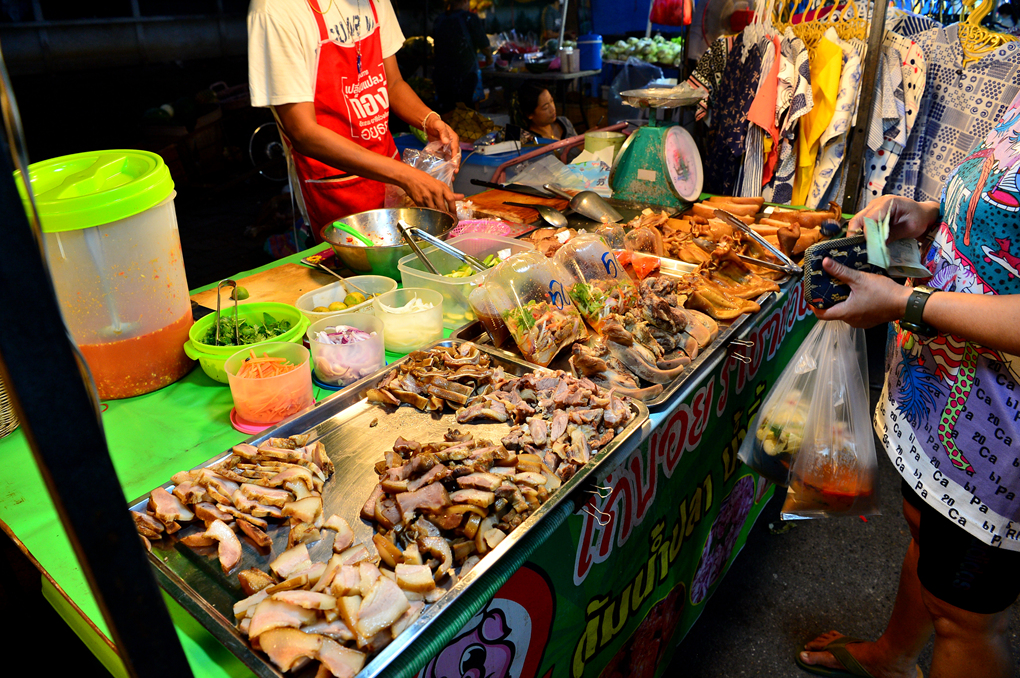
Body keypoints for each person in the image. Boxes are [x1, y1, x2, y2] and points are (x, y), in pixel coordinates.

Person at [797, 92, 1020, 678]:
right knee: (925, 538)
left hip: (1001, 439)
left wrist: (908, 303)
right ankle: (891, 658)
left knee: (964, 616)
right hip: (948, 405)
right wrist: (926, 213)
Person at [248, 0, 463, 241]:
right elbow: (303, 132)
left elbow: (392, 83)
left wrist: (429, 119)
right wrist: (406, 175)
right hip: (335, 186)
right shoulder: (276, 10)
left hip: (390, 172)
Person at [432, 0, 491, 114]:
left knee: (447, 114)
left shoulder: (439, 19)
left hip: (443, 78)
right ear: (464, 1)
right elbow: (485, 47)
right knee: (468, 116)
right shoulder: (469, 18)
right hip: (466, 78)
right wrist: (489, 58)